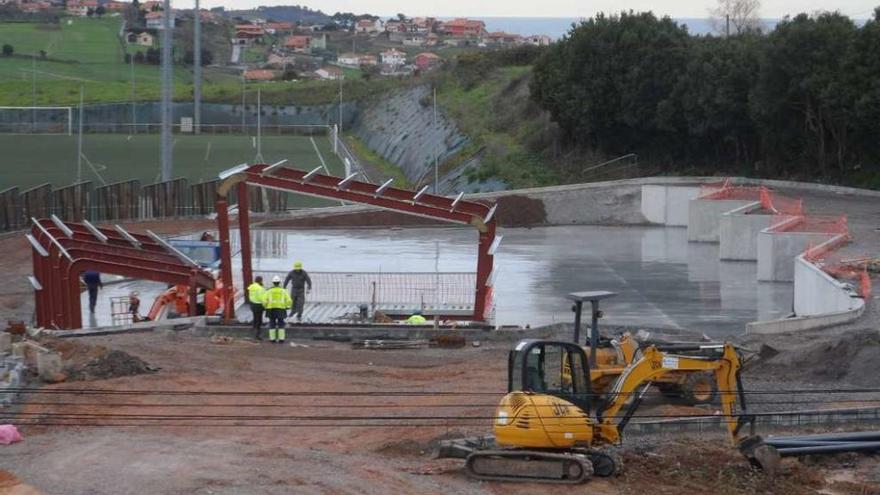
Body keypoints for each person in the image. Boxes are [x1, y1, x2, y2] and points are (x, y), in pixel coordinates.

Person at [263, 276, 292, 344]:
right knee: (281, 324)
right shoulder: (283, 291)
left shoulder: (269, 291)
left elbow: (264, 300)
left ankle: (272, 339)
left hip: (271, 309)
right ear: (279, 283)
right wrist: (287, 306)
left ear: (273, 283)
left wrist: (265, 307)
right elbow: (289, 300)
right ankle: (281, 339)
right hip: (281, 309)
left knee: (272, 323)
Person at [247, 276, 266, 340]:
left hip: (252, 304)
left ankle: (254, 332)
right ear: (261, 281)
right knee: (259, 320)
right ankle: (257, 335)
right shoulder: (260, 288)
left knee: (255, 318)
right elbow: (262, 298)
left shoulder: (251, 287)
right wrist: (265, 305)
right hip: (259, 305)